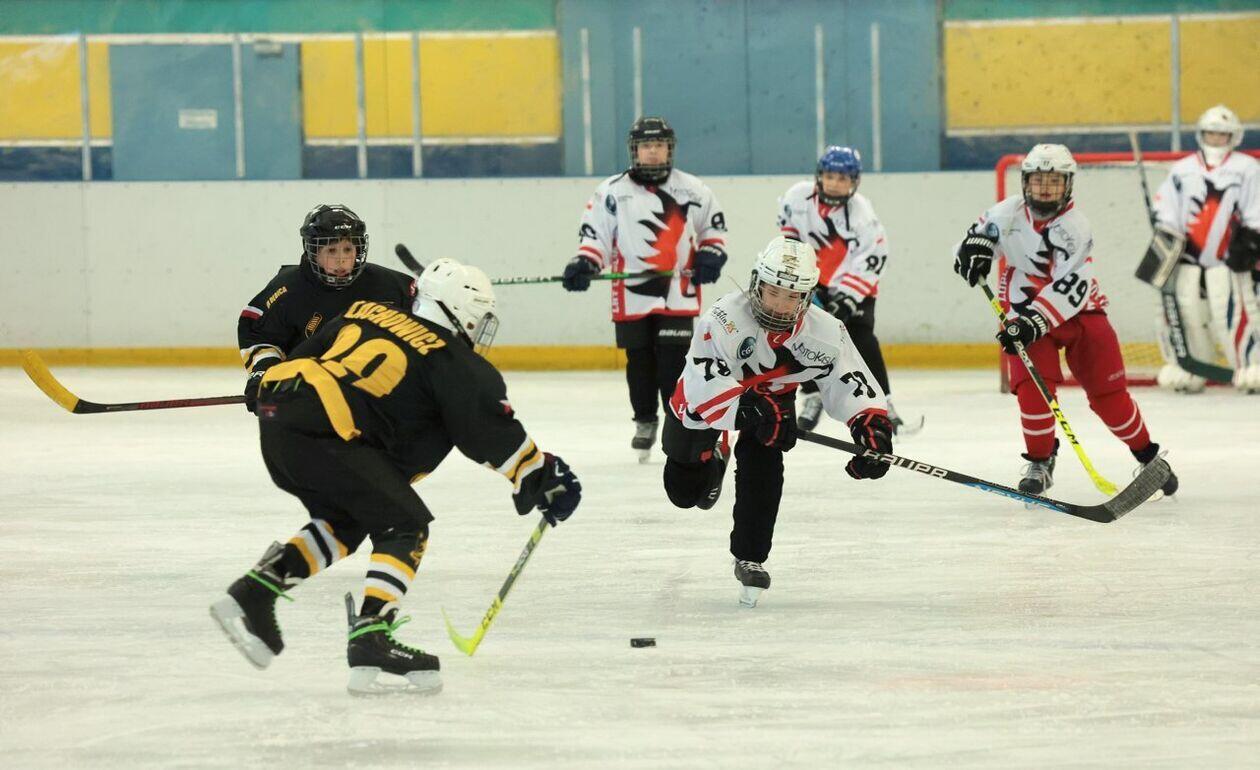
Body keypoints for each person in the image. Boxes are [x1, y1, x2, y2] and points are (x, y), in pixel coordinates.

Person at [211, 258, 582, 695]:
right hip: (326, 429)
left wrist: (268, 386)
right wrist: (542, 473)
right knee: (405, 526)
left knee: (347, 523)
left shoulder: (363, 312)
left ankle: (254, 593)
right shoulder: (451, 358)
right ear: (463, 311)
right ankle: (371, 637)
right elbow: (487, 431)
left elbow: (309, 354)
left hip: (281, 419)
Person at [663, 236, 892, 608]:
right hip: (708, 403)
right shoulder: (723, 319)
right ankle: (715, 456)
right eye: (773, 292)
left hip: (773, 400)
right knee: (684, 492)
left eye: (792, 297)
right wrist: (752, 409)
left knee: (765, 461)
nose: (780, 305)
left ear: (807, 297)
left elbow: (850, 380)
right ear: (757, 284)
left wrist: (871, 428)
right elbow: (701, 389)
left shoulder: (826, 332)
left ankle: (750, 556)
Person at [952, 143, 1179, 496]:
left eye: (1054, 180)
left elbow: (1071, 287)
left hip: (1079, 312)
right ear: (1025, 182)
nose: (1045, 188)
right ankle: (1040, 462)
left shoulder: (1075, 226)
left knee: (1109, 397)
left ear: (1068, 185)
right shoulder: (1005, 213)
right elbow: (970, 243)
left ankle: (1148, 456)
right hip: (1024, 313)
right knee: (1032, 390)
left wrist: (1033, 322)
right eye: (1038, 179)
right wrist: (970, 253)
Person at [561, 116, 728, 461]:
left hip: (677, 290)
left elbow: (713, 230)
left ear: (670, 148)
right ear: (634, 150)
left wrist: (711, 255)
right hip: (631, 291)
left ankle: (674, 423)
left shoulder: (692, 189)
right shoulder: (611, 191)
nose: (653, 151)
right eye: (646, 145)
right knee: (638, 359)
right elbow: (595, 238)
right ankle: (644, 420)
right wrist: (585, 263)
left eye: (659, 145)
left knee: (673, 362)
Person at [777, 145, 907, 433]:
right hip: (812, 282)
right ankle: (812, 396)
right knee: (796, 335)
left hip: (855, 284)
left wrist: (847, 298)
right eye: (830, 176)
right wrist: (801, 280)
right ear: (819, 175)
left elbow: (873, 259)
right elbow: (791, 241)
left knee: (861, 338)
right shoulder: (796, 197)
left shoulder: (863, 213)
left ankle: (883, 402)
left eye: (843, 178)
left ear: (854, 181)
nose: (835, 183)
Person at [237, 204, 416, 413]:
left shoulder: (390, 286)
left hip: (377, 399)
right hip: (311, 399)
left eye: (348, 249)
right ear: (313, 251)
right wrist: (263, 374)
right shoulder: (288, 290)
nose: (341, 260)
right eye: (331, 250)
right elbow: (261, 336)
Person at [1150, 104, 1260, 393]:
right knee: (1188, 313)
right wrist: (1165, 231)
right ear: (1202, 134)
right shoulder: (1182, 169)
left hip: (1228, 261)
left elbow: (1255, 209)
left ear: (1233, 137)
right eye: (1211, 133)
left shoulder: (1247, 168)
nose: (1216, 139)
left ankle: (1250, 365)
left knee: (1235, 313)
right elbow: (1166, 207)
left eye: (1222, 134)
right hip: (1188, 259)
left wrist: (1251, 241)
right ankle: (1191, 368)